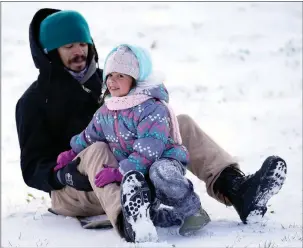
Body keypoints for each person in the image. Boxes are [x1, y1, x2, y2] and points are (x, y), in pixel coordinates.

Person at [15, 7, 287, 243]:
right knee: (98, 148)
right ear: (51, 53)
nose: (79, 52)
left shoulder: (109, 80)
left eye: (82, 43)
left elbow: (147, 117)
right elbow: (31, 168)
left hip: (126, 171)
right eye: (68, 46)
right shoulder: (33, 101)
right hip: (75, 190)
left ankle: (237, 191)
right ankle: (131, 221)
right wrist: (62, 175)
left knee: (179, 123)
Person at [56, 43, 209, 241]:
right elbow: (90, 135)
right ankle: (152, 218)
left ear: (136, 80)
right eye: (110, 75)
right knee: (137, 191)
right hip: (135, 172)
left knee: (159, 173)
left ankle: (192, 210)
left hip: (163, 161)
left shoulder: (151, 109)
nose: (113, 81)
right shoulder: (106, 111)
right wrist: (70, 153)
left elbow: (149, 150)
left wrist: (119, 172)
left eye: (121, 76)